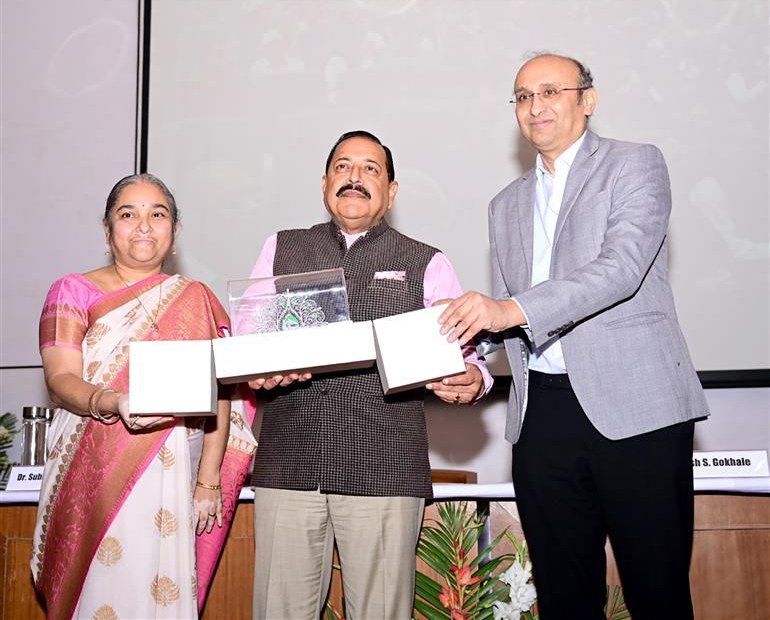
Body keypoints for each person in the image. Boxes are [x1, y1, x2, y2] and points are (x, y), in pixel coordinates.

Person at [439, 54, 710, 620]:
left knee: (656, 589)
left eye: (549, 91)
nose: (534, 106)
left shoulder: (635, 165)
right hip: (543, 415)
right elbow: (509, 319)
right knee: (563, 596)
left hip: (637, 409)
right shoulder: (504, 205)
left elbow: (621, 269)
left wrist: (505, 309)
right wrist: (475, 365)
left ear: (587, 99)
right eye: (521, 96)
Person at [248, 130, 492, 620]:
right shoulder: (281, 247)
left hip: (383, 466)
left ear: (392, 191)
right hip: (289, 462)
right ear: (323, 184)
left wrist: (474, 377)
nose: (353, 178)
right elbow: (251, 339)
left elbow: (469, 354)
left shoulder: (427, 261)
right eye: (342, 167)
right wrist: (255, 369)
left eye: (370, 169)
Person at [31, 173, 257, 620]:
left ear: (173, 233)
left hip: (176, 473)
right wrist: (112, 402)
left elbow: (222, 392)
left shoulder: (197, 298)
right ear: (107, 229)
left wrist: (208, 479)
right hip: (92, 467)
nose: (143, 225)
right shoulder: (73, 291)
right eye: (127, 214)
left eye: (158, 214)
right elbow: (60, 379)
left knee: (160, 587)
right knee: (101, 591)